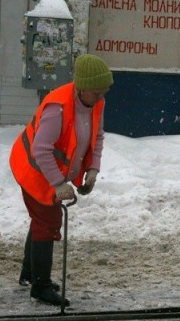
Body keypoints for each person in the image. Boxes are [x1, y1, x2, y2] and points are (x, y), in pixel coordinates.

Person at [9, 54, 113, 307]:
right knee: (48, 222)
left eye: (104, 92)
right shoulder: (58, 108)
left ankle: (30, 274)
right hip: (34, 170)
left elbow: (96, 137)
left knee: (42, 219)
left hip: (50, 171)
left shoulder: (95, 102)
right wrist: (58, 183)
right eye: (97, 92)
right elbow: (41, 150)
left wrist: (92, 169)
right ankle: (40, 287)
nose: (101, 97)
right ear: (81, 87)